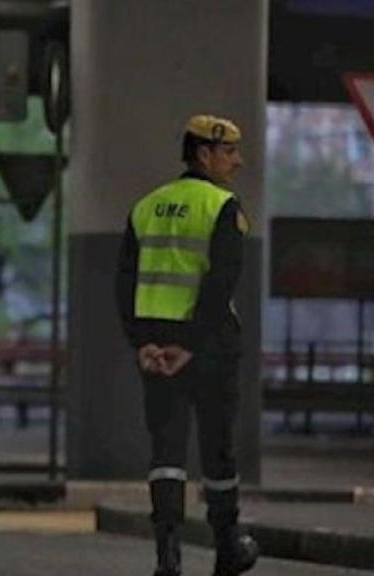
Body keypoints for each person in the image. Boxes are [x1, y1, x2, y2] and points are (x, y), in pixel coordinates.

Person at [115, 115, 260, 576]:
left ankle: (167, 557)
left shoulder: (145, 207)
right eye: (229, 151)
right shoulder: (222, 206)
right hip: (209, 347)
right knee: (218, 449)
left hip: (156, 348)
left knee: (166, 452)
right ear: (204, 153)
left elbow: (125, 284)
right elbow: (221, 284)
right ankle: (227, 549)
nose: (237, 161)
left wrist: (142, 343)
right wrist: (193, 344)